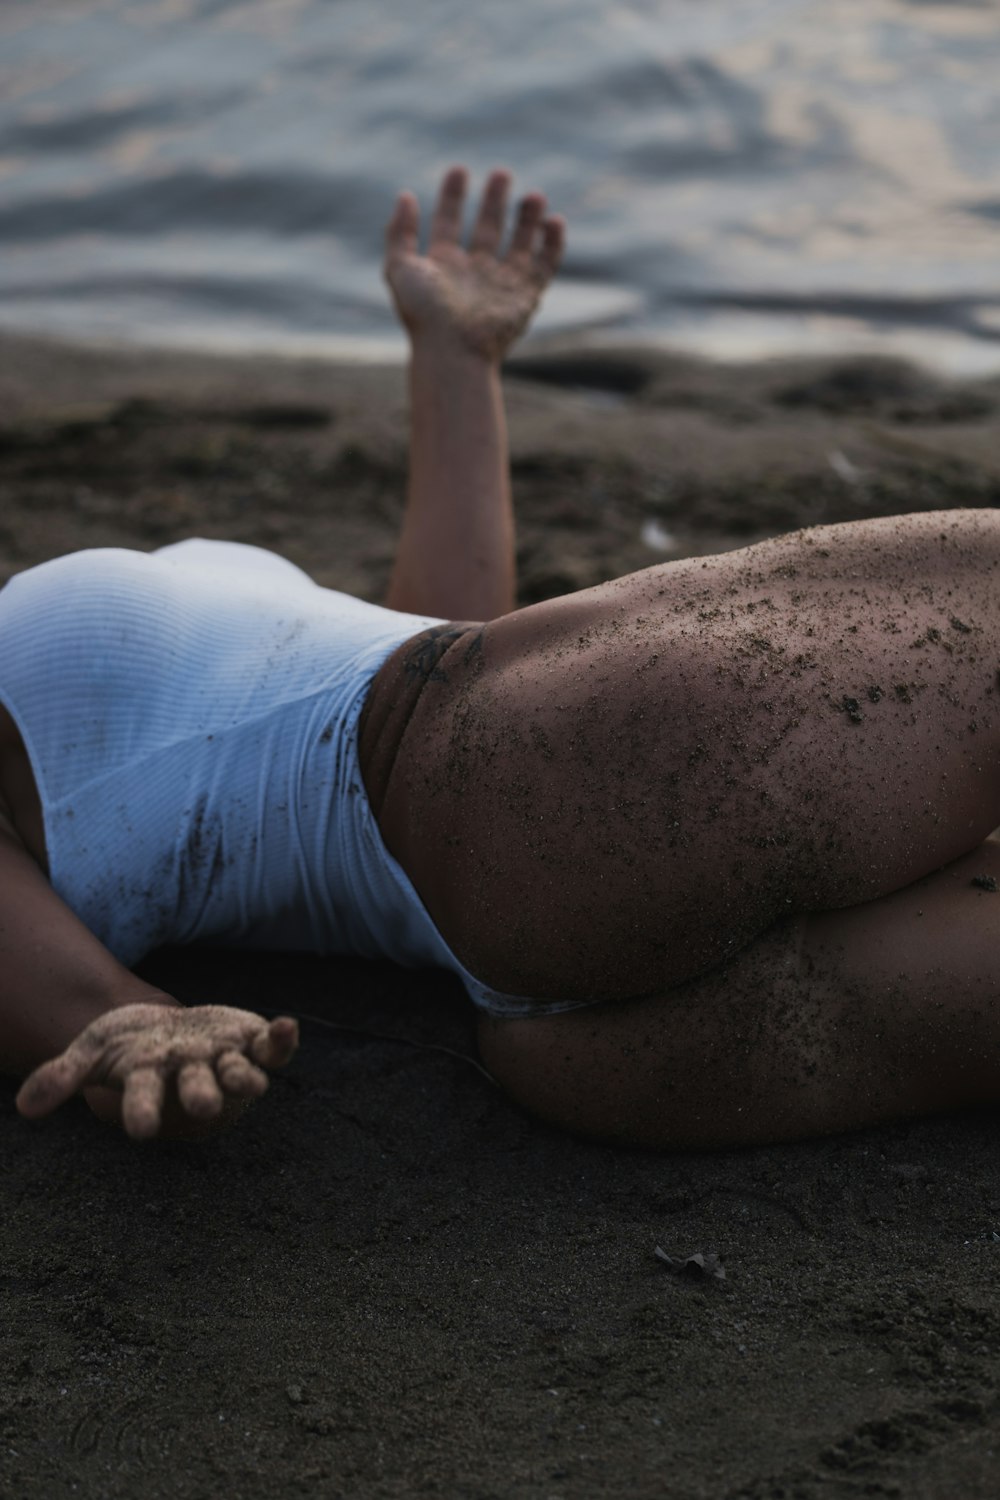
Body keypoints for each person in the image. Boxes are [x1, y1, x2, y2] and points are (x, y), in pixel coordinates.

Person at [4, 167, 1000, 1151]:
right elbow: (437, 715)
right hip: (567, 788)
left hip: (574, 1025)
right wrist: (122, 1017)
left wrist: (457, 362)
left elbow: (418, 648)